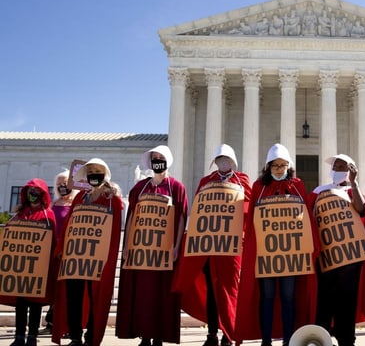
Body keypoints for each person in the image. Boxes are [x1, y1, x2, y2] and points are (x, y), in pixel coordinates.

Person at [235, 143, 319, 346]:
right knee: (268, 296)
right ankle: (265, 340)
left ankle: (289, 338)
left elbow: (305, 215)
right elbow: (252, 218)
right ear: (268, 167)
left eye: (283, 165)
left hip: (290, 255)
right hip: (266, 254)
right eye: (275, 165)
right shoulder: (259, 187)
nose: (279, 169)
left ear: (288, 166)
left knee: (289, 296)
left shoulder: (297, 185)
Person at [173, 144, 251, 346]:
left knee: (230, 290)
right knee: (211, 293)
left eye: (226, 159)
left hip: (232, 246)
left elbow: (250, 208)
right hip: (208, 246)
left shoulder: (242, 181)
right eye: (219, 160)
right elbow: (199, 210)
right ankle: (212, 334)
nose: (222, 162)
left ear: (232, 161)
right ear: (215, 162)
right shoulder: (206, 181)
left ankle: (229, 333)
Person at [116, 146, 188, 346]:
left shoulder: (176, 187)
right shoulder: (140, 188)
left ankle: (159, 337)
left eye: (161, 158)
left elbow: (181, 218)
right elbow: (132, 217)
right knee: (143, 296)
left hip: (165, 254)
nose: (158, 160)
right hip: (141, 253)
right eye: (154, 158)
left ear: (168, 160)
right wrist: (127, 245)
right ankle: (144, 336)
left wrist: (176, 247)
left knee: (161, 296)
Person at [52, 158, 124, 346]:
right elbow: (69, 224)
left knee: (95, 299)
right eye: (90, 171)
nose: (93, 174)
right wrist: (61, 249)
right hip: (75, 257)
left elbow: (115, 231)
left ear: (104, 174)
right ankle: (75, 336)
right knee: (73, 296)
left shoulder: (112, 200)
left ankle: (91, 336)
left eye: (97, 170)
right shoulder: (79, 197)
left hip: (98, 259)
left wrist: (109, 257)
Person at [308, 154, 365, 346]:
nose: (337, 169)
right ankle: (321, 338)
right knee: (325, 298)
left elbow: (361, 210)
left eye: (342, 167)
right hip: (327, 255)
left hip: (350, 258)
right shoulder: (319, 191)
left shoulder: (353, 191)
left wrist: (353, 183)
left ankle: (346, 339)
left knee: (347, 299)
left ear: (351, 170)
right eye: (336, 166)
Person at [0, 178, 56, 346]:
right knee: (21, 304)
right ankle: (19, 336)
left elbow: (52, 240)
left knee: (36, 305)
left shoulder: (48, 215)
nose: (33, 194)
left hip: (38, 267)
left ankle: (32, 337)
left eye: (37, 191)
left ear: (43, 194)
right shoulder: (19, 214)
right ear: (25, 193)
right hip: (21, 268)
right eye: (30, 191)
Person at [40, 170, 80, 335]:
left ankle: (68, 325)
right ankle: (52, 322)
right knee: (54, 288)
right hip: (52, 252)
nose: (62, 186)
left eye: (65, 183)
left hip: (70, 252)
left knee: (68, 290)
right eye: (59, 184)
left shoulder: (77, 204)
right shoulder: (52, 205)